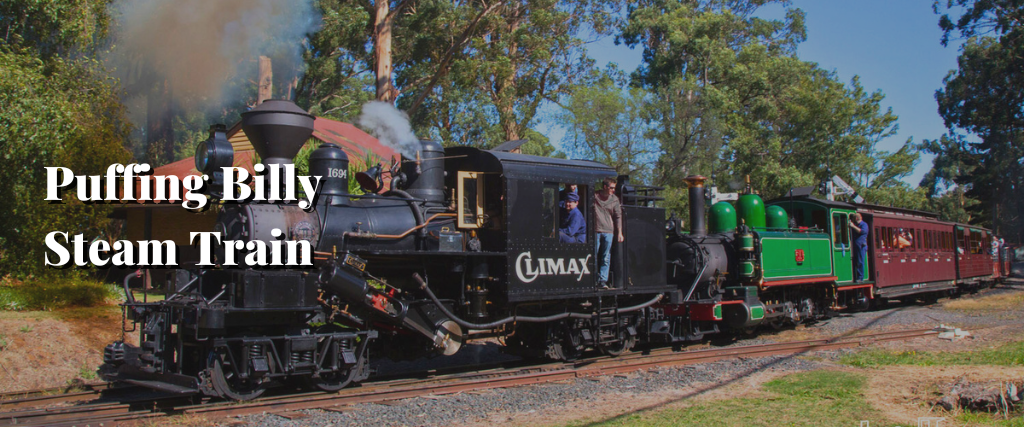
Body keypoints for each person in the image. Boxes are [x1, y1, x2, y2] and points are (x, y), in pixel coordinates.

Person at [593, 178, 623, 289]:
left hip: (608, 231)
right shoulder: (594, 196)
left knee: (605, 257)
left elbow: (618, 216)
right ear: (605, 187)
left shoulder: (615, 199)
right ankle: (593, 278)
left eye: (614, 188)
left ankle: (603, 280)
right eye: (611, 188)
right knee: (594, 255)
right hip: (596, 230)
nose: (613, 190)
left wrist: (619, 232)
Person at [848, 213, 868, 282]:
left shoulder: (864, 224)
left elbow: (861, 231)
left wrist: (853, 226)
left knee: (860, 261)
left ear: (856, 218)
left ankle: (860, 278)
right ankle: (856, 276)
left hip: (861, 246)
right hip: (856, 246)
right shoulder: (856, 225)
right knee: (856, 261)